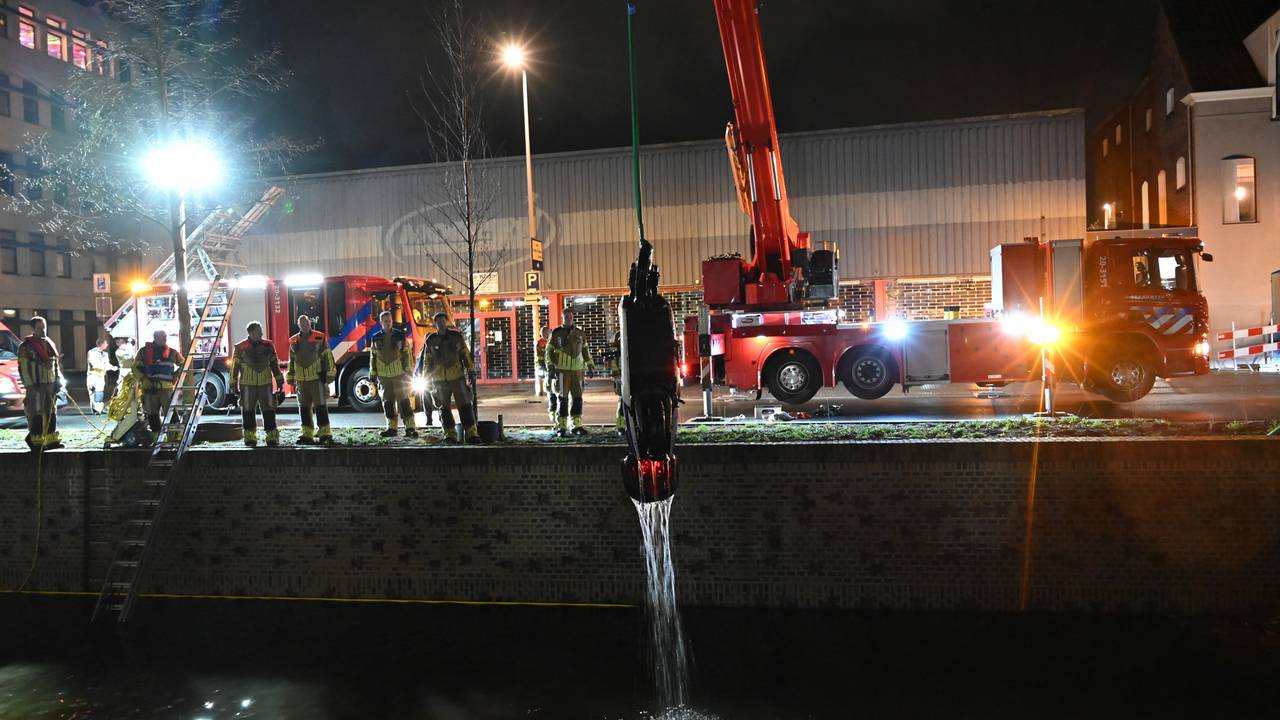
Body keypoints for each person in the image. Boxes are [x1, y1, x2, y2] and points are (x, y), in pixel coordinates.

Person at [420, 311, 480, 443]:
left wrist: (471, 370)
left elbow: (465, 354)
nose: (441, 324)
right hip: (439, 380)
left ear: (446, 322)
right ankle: (449, 435)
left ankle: (471, 434)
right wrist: (426, 378)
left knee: (465, 405)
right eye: (438, 322)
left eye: (443, 321)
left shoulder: (456, 337)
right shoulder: (430, 341)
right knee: (444, 409)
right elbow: (427, 361)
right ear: (435, 324)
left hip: (457, 377)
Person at [232, 321, 285, 447]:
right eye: (258, 331)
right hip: (247, 385)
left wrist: (280, 381)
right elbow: (234, 368)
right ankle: (250, 437)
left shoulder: (269, 345)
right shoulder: (240, 347)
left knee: (269, 410)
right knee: (248, 411)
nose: (261, 333)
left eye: (261, 331)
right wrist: (233, 384)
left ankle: (272, 437)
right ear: (250, 332)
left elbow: (275, 365)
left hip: (265, 384)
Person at [288, 315, 336, 445]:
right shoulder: (293, 340)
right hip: (301, 381)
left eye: (306, 323)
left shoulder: (320, 337)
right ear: (299, 325)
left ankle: (325, 433)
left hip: (316, 379)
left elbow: (328, 356)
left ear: (310, 323)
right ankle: (307, 434)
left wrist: (330, 374)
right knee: (304, 408)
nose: (305, 326)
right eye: (302, 324)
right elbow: (291, 360)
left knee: (321, 406)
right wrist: (290, 376)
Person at [546, 307, 594, 436]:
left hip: (578, 372)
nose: (569, 319)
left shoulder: (580, 333)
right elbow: (548, 352)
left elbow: (585, 350)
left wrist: (590, 366)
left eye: (571, 317)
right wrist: (550, 367)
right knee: (563, 399)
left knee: (577, 399)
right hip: (562, 372)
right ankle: (561, 427)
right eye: (566, 317)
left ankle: (576, 426)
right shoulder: (556, 333)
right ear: (562, 318)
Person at [369, 310, 417, 438]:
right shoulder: (375, 338)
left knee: (404, 403)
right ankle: (391, 428)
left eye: (389, 321)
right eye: (385, 321)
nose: (388, 323)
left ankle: (410, 428)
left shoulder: (400, 336)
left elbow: (407, 354)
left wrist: (409, 372)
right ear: (381, 322)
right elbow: (373, 357)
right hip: (383, 377)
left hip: (399, 375)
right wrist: (372, 375)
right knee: (388, 404)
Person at [17, 316, 62, 450]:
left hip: (50, 384)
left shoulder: (49, 343)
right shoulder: (26, 346)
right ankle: (35, 440)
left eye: (44, 327)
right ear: (32, 329)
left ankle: (51, 440)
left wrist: (58, 381)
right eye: (40, 328)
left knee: (51, 412)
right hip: (35, 385)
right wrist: (30, 384)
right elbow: (23, 368)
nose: (43, 330)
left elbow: (56, 364)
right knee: (36, 413)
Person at [132, 330, 184, 438]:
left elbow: (184, 364)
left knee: (171, 413)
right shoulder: (143, 352)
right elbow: (135, 367)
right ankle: (156, 438)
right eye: (162, 337)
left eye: (165, 337)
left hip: (166, 389)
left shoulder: (172, 352)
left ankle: (174, 437)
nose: (165, 339)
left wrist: (176, 375)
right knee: (153, 415)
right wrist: (143, 379)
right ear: (155, 338)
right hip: (150, 390)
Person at [535, 325, 558, 425]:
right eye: (543, 335)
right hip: (548, 371)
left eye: (547, 335)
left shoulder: (556, 341)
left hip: (557, 370)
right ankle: (553, 416)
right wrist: (541, 368)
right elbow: (539, 358)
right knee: (551, 393)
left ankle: (560, 417)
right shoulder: (540, 343)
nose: (545, 337)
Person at [607, 331, 625, 435]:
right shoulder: (616, 355)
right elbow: (614, 368)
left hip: (630, 379)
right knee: (623, 402)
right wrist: (617, 376)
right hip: (621, 380)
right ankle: (621, 426)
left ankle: (625, 425)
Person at [86, 338, 111, 413]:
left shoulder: (105, 354)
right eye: (106, 343)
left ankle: (98, 408)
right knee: (92, 392)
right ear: (101, 344)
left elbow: (107, 364)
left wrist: (113, 368)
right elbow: (94, 364)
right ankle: (95, 408)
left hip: (100, 375)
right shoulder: (92, 352)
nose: (107, 345)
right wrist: (105, 366)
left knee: (99, 391)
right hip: (93, 375)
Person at [102, 336, 128, 406]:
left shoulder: (129, 348)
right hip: (124, 372)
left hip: (130, 372)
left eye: (123, 342)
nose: (124, 344)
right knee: (120, 388)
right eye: (120, 342)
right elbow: (126, 359)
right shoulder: (118, 351)